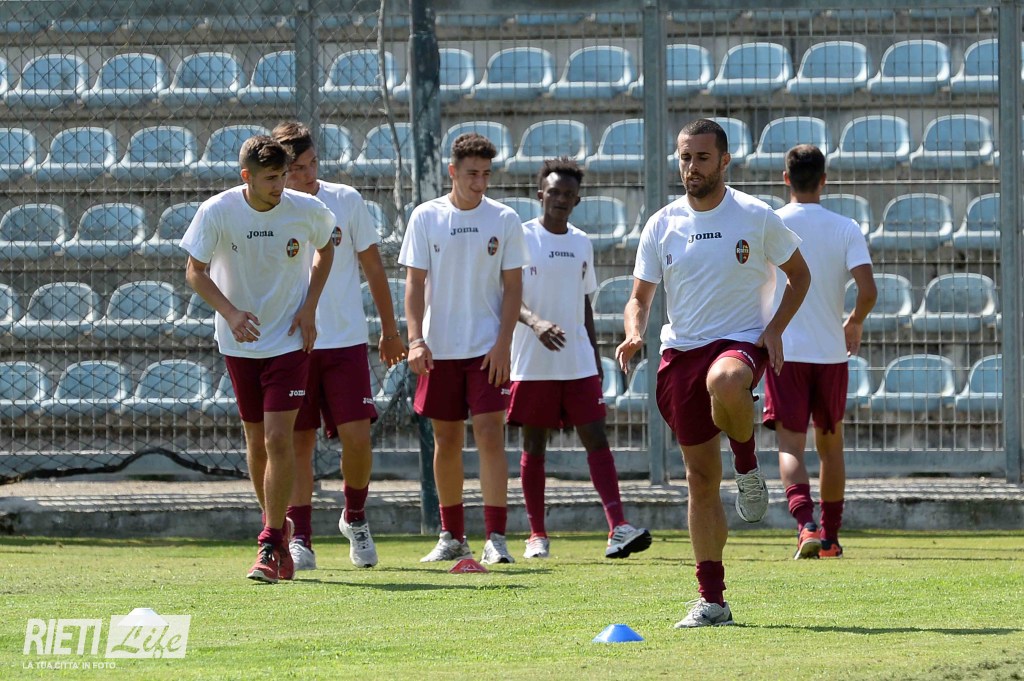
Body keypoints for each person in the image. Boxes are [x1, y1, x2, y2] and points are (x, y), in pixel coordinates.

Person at [615, 118, 810, 627]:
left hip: (740, 344)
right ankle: (713, 600)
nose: (692, 167)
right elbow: (639, 297)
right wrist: (634, 332)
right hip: (680, 354)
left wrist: (775, 329)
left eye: (702, 158)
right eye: (685, 157)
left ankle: (746, 465)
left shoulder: (756, 215)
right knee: (700, 481)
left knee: (724, 380)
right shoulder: (662, 224)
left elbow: (799, 275)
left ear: (724, 161)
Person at [181, 135, 336, 583]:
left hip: (288, 341)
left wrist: (310, 307)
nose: (280, 185)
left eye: (284, 175)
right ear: (246, 176)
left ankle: (268, 541)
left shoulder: (305, 209)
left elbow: (327, 248)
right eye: (271, 178)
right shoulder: (217, 211)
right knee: (255, 442)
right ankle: (278, 528)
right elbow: (194, 271)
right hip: (240, 343)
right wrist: (230, 313)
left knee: (278, 438)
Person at [271, 121, 406, 571]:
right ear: (280, 171)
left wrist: (390, 330)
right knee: (299, 443)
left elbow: (374, 267)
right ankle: (301, 538)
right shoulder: (269, 211)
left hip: (345, 341)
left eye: (312, 164)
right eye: (297, 169)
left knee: (358, 438)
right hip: (292, 345)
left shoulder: (346, 200)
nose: (308, 175)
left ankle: (356, 516)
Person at [508, 157, 652, 560]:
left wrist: (591, 352)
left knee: (596, 438)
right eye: (554, 192)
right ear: (540, 194)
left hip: (578, 363)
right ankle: (536, 535)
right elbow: (507, 295)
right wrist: (536, 323)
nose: (560, 199)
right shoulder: (520, 237)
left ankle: (617, 527)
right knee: (534, 444)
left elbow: (584, 302)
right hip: (532, 361)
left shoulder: (581, 241)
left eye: (568, 194)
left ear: (577, 201)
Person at [399, 132, 527, 565]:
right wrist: (415, 340)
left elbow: (513, 288)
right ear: (452, 171)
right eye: (472, 173)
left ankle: (496, 537)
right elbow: (414, 284)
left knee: (490, 434)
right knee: (446, 438)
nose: (480, 182)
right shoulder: (425, 216)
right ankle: (452, 534)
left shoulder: (505, 218)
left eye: (486, 174)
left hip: (487, 348)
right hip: (439, 348)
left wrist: (504, 344)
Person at [765, 144, 876, 560]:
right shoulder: (845, 227)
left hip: (785, 350)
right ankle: (830, 537)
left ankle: (805, 524)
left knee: (790, 446)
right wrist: (855, 321)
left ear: (786, 178)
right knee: (831, 448)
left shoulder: (772, 223)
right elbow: (868, 290)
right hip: (831, 353)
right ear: (824, 180)